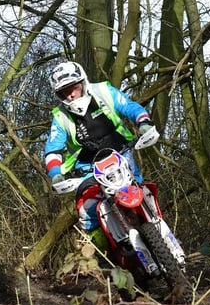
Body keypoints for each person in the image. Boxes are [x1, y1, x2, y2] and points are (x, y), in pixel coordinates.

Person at [44, 61, 155, 244]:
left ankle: (162, 235)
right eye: (65, 92)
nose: (71, 95)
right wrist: (56, 174)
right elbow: (53, 149)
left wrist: (143, 122)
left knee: (141, 192)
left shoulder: (104, 92)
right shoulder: (60, 116)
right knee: (87, 210)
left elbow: (129, 106)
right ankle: (103, 252)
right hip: (87, 166)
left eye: (74, 88)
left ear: (83, 82)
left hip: (121, 152)